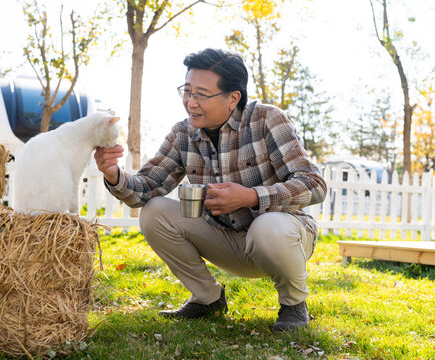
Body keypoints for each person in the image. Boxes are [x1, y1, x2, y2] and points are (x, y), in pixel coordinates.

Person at [94, 48, 327, 331]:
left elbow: (314, 184)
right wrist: (113, 173)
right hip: (226, 238)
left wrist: (250, 197)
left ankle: (293, 305)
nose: (190, 102)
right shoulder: (183, 133)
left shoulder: (268, 120)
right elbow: (146, 188)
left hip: (279, 238)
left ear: (233, 98)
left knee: (268, 226)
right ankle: (207, 299)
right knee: (154, 210)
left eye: (201, 95)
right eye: (187, 91)